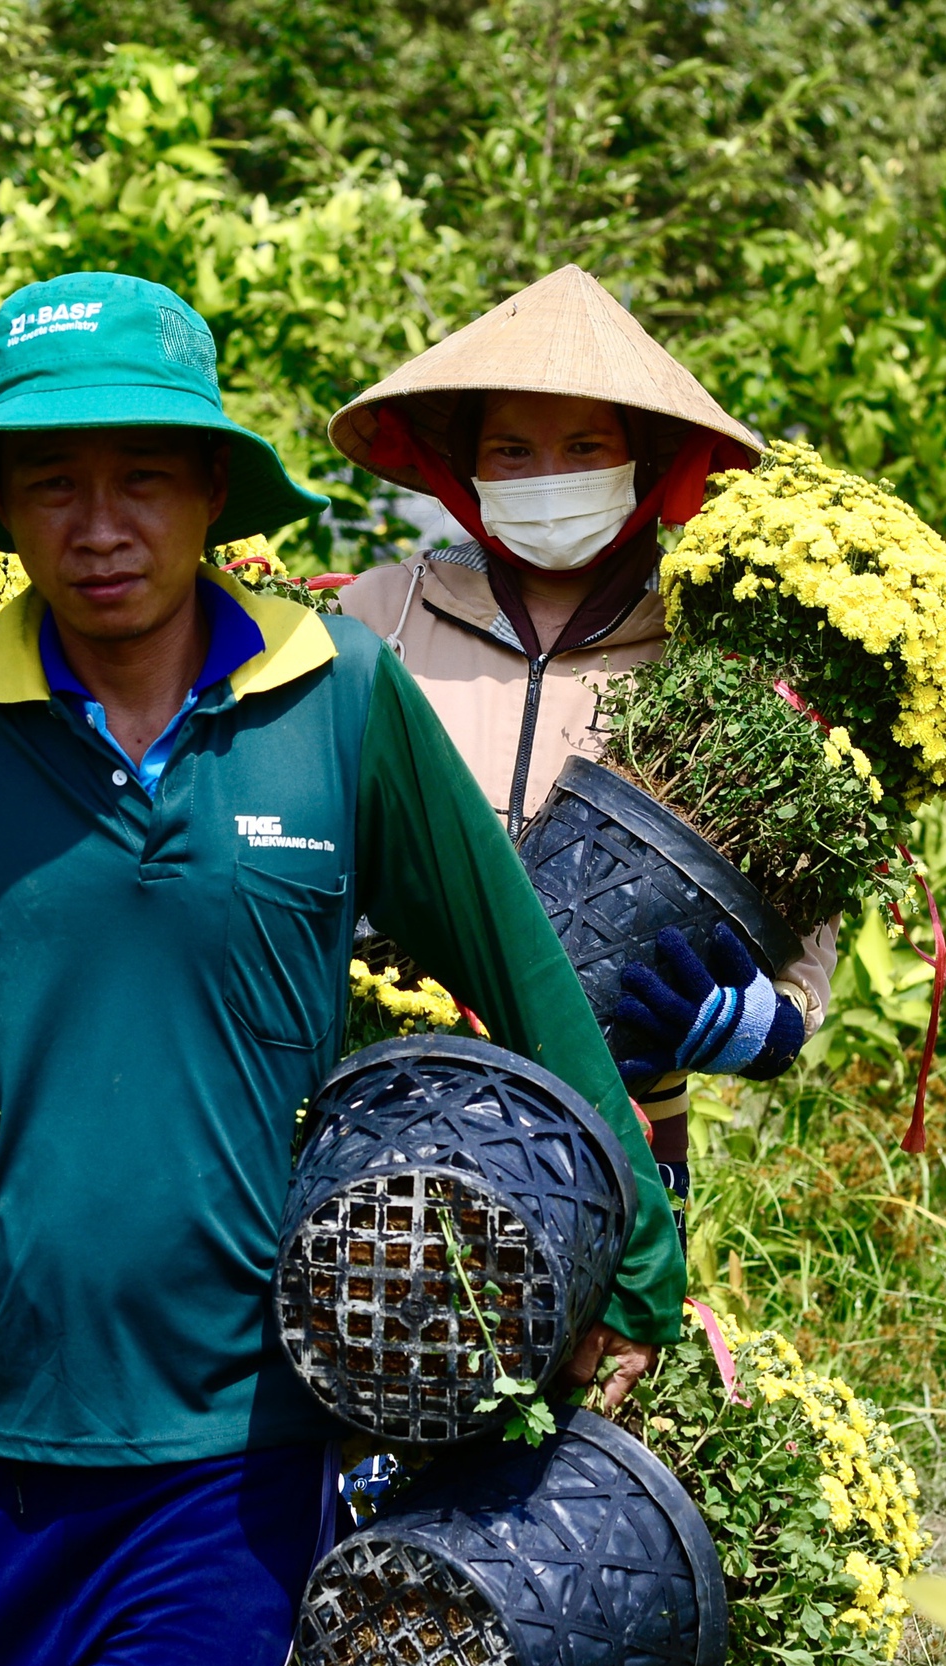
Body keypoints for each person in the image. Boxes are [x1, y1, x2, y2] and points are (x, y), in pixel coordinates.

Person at [0, 271, 684, 1666]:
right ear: (1, 502)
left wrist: (639, 1259)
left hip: (237, 1453)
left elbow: (520, 976)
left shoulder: (338, 696)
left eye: (143, 478)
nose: (100, 528)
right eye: (53, 484)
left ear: (213, 486)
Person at [328, 264, 844, 1201]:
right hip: (372, 1114)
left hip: (620, 1145)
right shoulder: (377, 620)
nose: (548, 478)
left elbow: (798, 912)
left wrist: (766, 1020)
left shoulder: (714, 668)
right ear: (466, 466)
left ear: (643, 461)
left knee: (606, 1352)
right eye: (514, 451)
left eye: (583, 447)